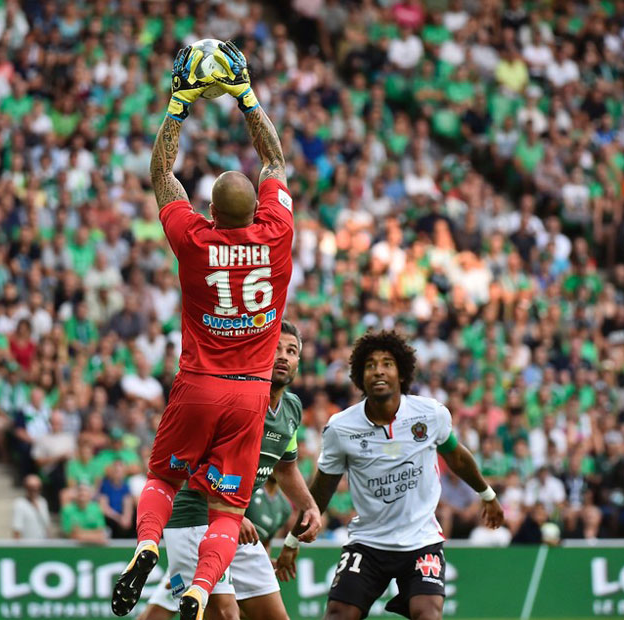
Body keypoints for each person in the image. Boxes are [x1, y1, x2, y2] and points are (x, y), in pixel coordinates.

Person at [113, 41, 298, 620]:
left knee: (163, 478)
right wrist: (244, 96)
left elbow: (161, 173)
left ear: (211, 212)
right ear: (257, 210)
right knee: (227, 510)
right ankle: (198, 590)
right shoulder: (276, 235)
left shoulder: (195, 240)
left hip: (197, 381)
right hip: (249, 392)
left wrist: (179, 104)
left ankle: (146, 544)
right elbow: (274, 162)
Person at [276, 330, 504, 620]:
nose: (378, 371)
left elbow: (457, 456)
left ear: (401, 373)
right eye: (370, 365)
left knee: (428, 614)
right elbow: (320, 492)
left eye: (387, 363)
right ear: (360, 376)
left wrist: (487, 494)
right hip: (368, 543)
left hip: (421, 541)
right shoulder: (341, 428)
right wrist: (293, 542)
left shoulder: (430, 414)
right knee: (338, 614)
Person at [141, 322, 320, 620]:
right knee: (224, 615)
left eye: (291, 351)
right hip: (198, 516)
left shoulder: (292, 408)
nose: (284, 357)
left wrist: (309, 506)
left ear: (300, 361)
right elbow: (193, 464)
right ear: (259, 351)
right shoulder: (233, 395)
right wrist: (228, 510)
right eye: (275, 348)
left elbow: (286, 468)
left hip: (234, 522)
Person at [11, 474, 51, 540]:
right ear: (25, 488)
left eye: (38, 487)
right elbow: (17, 530)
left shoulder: (43, 502)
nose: (35, 490)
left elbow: (47, 527)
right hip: (27, 547)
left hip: (43, 545)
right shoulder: (19, 504)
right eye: (31, 488)